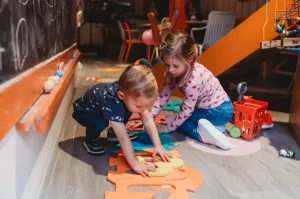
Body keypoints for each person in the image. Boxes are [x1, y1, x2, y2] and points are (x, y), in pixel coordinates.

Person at [72, 64, 170, 176]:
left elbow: (147, 119)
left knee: (128, 109)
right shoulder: (112, 102)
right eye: (139, 106)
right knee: (100, 122)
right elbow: (123, 138)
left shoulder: (128, 96)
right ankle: (90, 140)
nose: (143, 110)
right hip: (85, 111)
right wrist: (135, 164)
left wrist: (158, 145)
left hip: (107, 107)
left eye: (146, 105)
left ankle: (113, 132)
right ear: (121, 95)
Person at [151, 31, 233, 150]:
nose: (170, 70)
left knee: (182, 122)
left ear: (189, 59)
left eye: (175, 66)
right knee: (181, 113)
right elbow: (163, 97)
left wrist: (169, 127)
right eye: (167, 65)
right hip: (219, 109)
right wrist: (150, 117)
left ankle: (202, 136)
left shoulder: (193, 80)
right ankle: (216, 127)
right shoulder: (172, 73)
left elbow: (187, 111)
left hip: (218, 111)